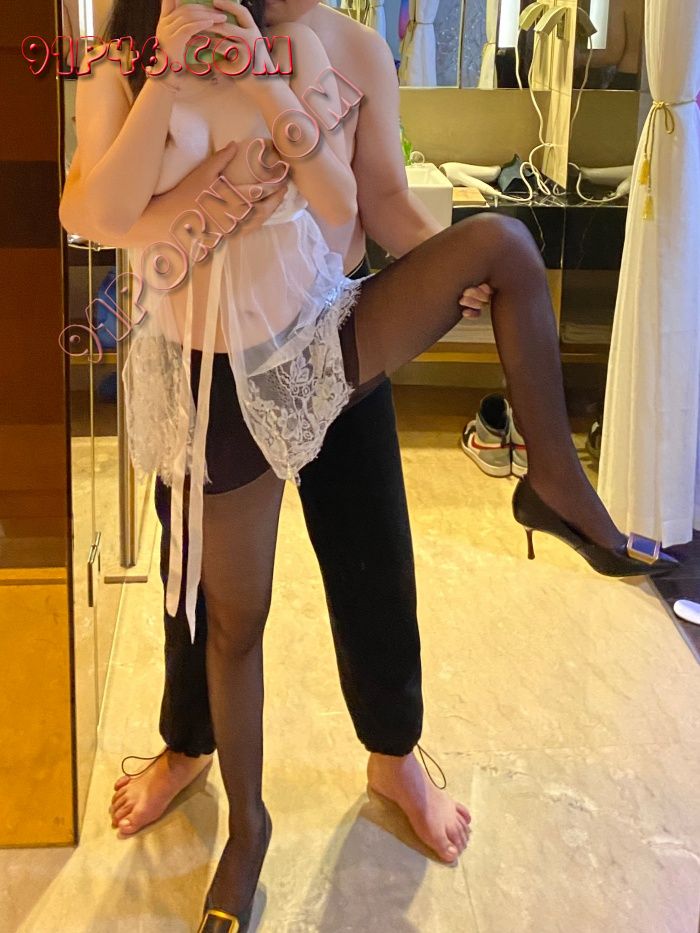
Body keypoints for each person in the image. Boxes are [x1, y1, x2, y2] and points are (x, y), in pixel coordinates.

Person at [61, 1, 675, 928]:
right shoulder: (139, 51)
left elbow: (368, 199)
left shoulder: (337, 47)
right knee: (211, 596)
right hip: (205, 363)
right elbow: (103, 213)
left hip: (325, 328)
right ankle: (192, 753)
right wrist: (191, 143)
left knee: (374, 556)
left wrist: (435, 262)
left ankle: (403, 740)